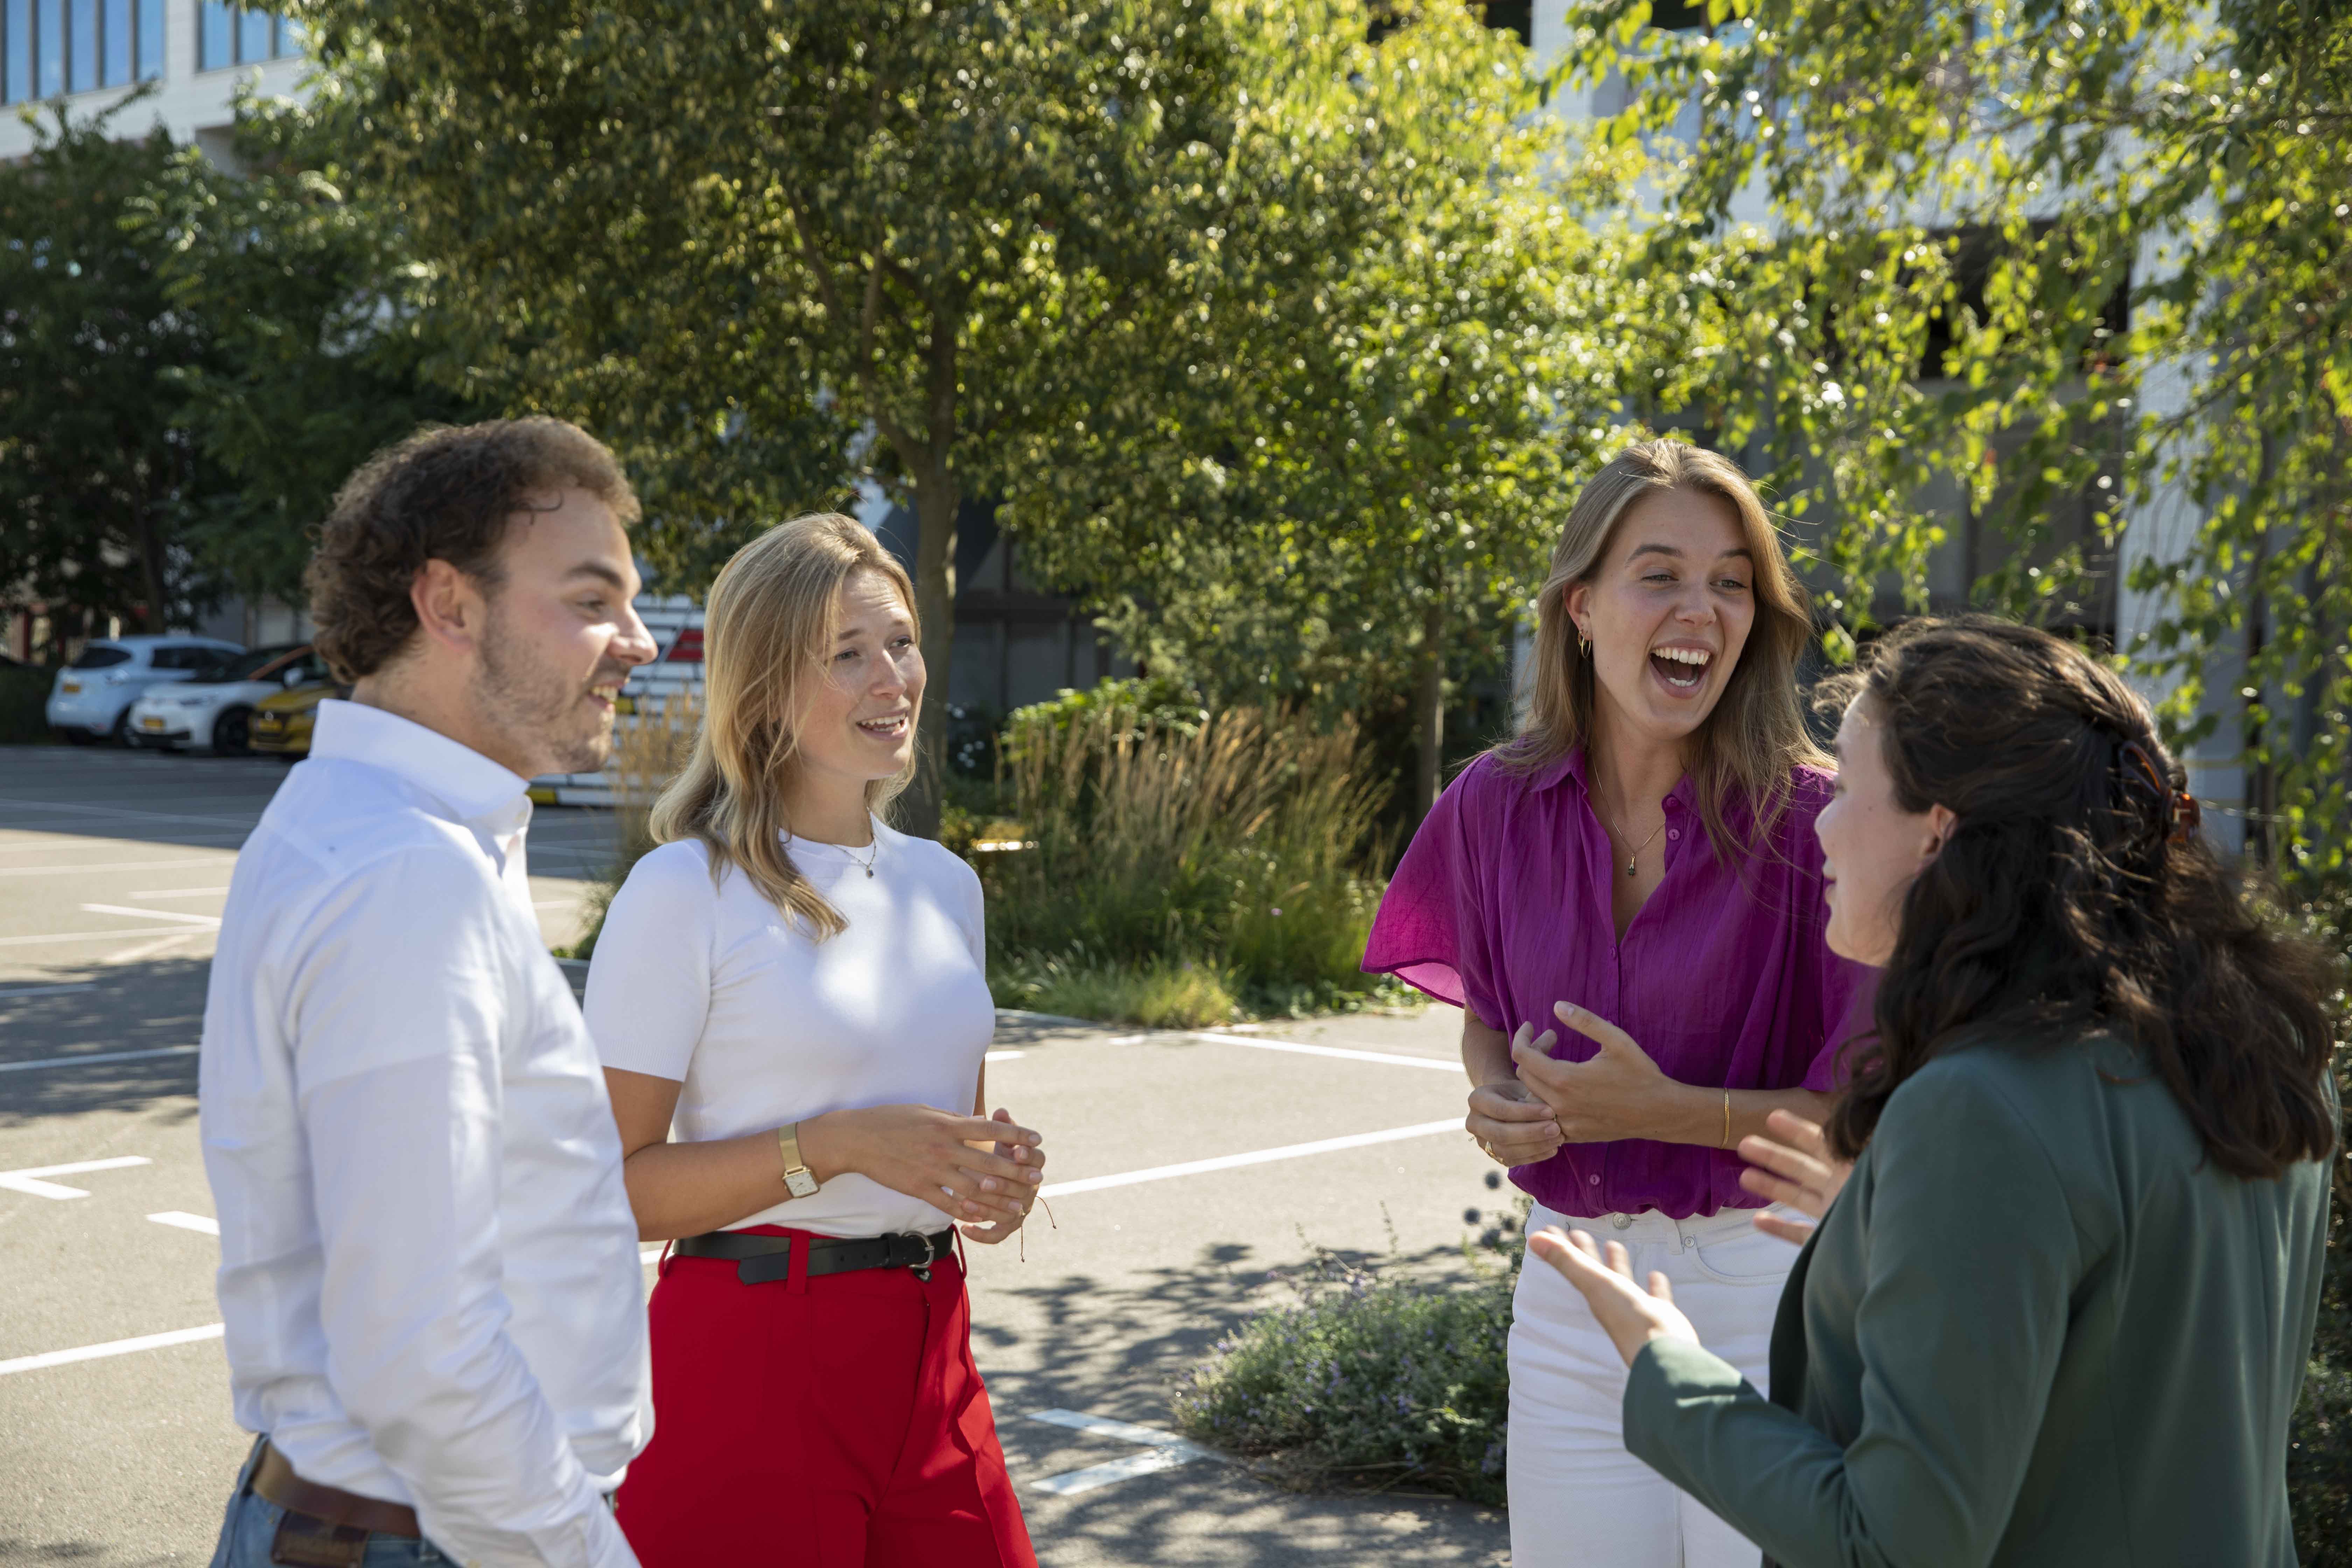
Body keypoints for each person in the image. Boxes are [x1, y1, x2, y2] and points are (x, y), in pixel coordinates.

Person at [1532, 615, 2338, 1566]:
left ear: (1937, 833)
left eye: (1851, 784)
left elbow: (1890, 1545)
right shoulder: (2261, 1046)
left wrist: (1667, 1370)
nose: (1823, 819)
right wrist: (1894, 1219)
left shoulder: (1982, 1112)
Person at [1362, 438, 1870, 1566]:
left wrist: (1667, 1109)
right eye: (1662, 574)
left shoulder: (1821, 826)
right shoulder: (1492, 805)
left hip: (1763, 1293)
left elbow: (1866, 1120)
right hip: (1566, 1287)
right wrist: (1498, 1096)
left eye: (1731, 582)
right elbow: (1487, 1012)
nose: (1702, 608)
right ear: (1582, 607)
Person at [199, 418, 662, 1567]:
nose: (639, 642)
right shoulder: (408, 875)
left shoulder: (372, 831)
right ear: (449, 605)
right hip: (430, 1542)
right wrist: (584, 1554)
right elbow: (423, 1350)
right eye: (593, 600)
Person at [583, 513, 1045, 1568]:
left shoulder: (948, 885)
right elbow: (601, 1189)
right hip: (753, 1361)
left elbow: (941, 1150)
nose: (893, 678)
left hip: (936, 1354)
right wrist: (830, 1146)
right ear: (762, 688)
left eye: (900, 643)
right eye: (847, 654)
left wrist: (994, 1185)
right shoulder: (683, 891)